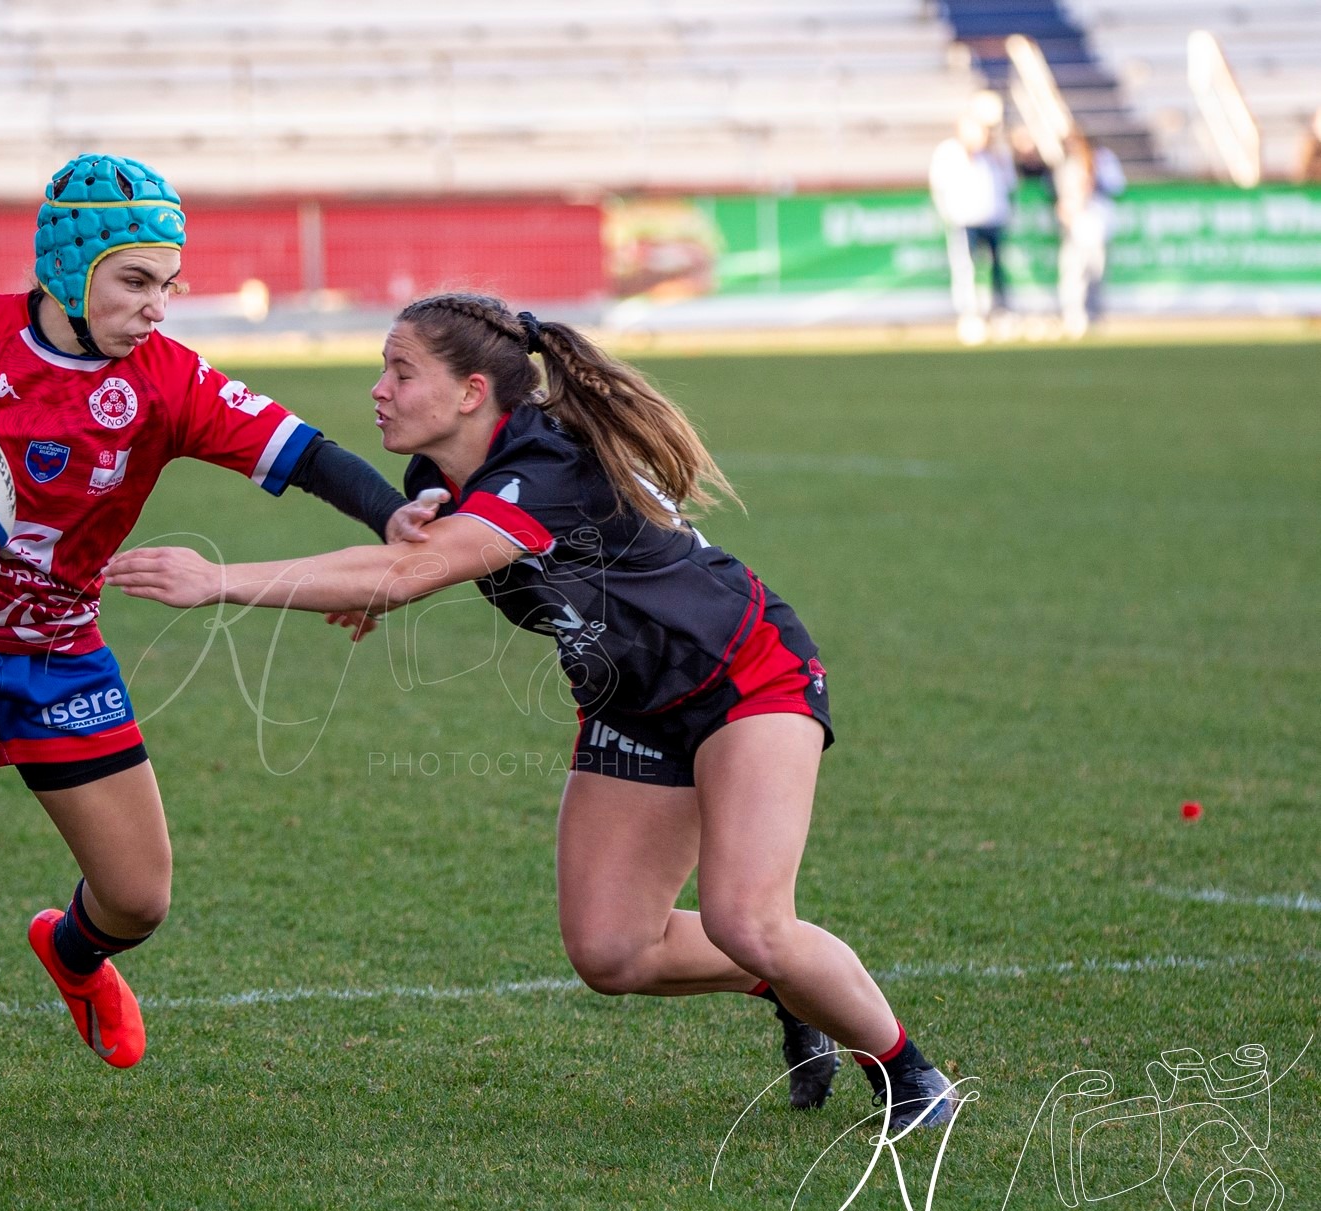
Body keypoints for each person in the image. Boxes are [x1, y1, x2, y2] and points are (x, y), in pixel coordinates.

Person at [107, 293, 962, 1131]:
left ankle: (910, 1077)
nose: (378, 389)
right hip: (630, 704)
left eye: (400, 372)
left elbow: (405, 570)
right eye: (381, 371)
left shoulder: (542, 468)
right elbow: (416, 564)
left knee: (747, 918)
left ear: (473, 393)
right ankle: (787, 986)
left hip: (745, 673)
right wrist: (378, 591)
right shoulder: (438, 477)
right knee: (610, 950)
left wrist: (218, 579)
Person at [0, 153, 443, 1163]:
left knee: (140, 896)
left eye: (168, 284)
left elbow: (302, 449)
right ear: (70, 267)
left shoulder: (165, 379)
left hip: (58, 644)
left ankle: (71, 947)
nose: (157, 306)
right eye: (135, 281)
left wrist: (391, 509)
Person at [930, 104, 1017, 345]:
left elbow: (1009, 184)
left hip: (993, 217)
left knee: (997, 267)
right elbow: (939, 186)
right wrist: (949, 214)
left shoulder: (997, 154)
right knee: (965, 268)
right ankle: (970, 315)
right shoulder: (949, 152)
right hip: (964, 220)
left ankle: (1001, 313)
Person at [1055, 131, 1125, 339]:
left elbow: (1116, 186)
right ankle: (1073, 315)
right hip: (1075, 226)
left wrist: (1094, 184)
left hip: (1095, 225)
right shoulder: (1067, 166)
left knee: (1095, 273)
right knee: (1074, 273)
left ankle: (1094, 315)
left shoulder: (1101, 161)